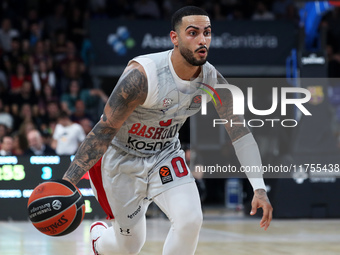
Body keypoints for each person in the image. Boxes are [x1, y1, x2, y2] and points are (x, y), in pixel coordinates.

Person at [62, 6, 273, 255]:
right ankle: (99, 237)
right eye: (193, 33)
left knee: (190, 220)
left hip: (165, 154)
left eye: (207, 32)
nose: (202, 40)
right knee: (129, 246)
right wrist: (67, 183)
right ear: (175, 37)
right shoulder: (143, 76)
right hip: (122, 158)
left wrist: (259, 187)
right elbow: (103, 131)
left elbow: (240, 133)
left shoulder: (212, 80)